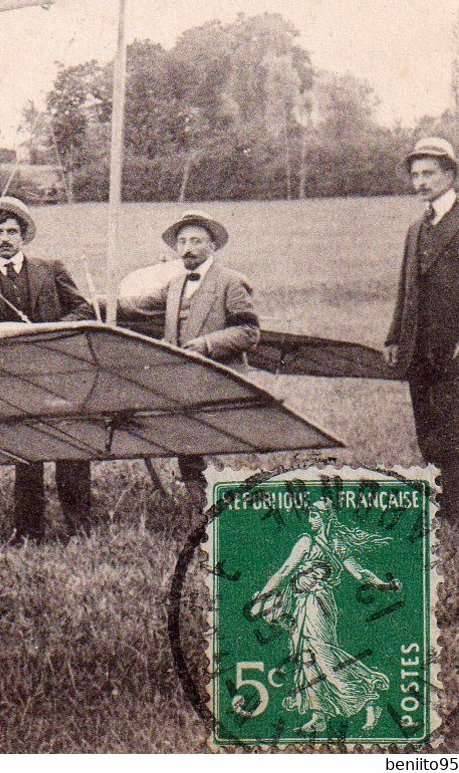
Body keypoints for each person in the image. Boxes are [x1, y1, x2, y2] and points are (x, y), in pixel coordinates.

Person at [0, 196, 96, 543]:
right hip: (13, 379)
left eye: (12, 232)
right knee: (26, 454)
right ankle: (28, 530)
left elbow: (83, 309)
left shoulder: (50, 269)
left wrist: (52, 333)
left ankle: (79, 526)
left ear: (23, 237)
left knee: (70, 449)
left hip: (58, 372)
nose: (4, 239)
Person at [248, 498, 399, 733]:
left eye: (314, 515)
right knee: (306, 657)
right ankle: (319, 715)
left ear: (326, 517)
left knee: (323, 654)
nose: (310, 520)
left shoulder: (325, 544)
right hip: (305, 603)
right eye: (309, 515)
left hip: (317, 604)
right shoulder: (315, 542)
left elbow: (358, 573)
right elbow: (286, 571)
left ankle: (369, 699)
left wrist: (384, 585)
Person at [384, 137, 459, 524]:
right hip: (418, 347)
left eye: (429, 173)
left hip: (456, 347)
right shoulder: (415, 228)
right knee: (427, 427)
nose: (420, 182)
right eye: (415, 175)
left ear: (450, 174)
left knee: (456, 425)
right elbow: (406, 288)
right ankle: (442, 501)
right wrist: (393, 337)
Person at [152, 210, 260, 500]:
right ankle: (198, 505)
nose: (188, 248)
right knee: (187, 447)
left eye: (196, 241)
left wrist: (207, 345)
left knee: (216, 448)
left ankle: (228, 507)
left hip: (219, 380)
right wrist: (85, 302)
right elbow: (136, 305)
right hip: (184, 382)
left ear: (213, 246)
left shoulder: (231, 282)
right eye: (182, 241)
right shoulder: (176, 284)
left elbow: (249, 331)